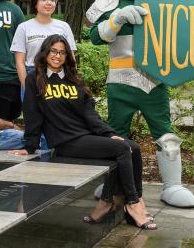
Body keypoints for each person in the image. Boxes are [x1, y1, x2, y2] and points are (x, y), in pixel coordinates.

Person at [86, 0, 194, 208]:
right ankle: (114, 183)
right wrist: (116, 19)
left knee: (165, 134)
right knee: (116, 136)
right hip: (119, 81)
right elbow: (95, 37)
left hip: (154, 79)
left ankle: (172, 185)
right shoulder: (107, 3)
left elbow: (183, 40)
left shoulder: (165, 2)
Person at [12, 35, 157, 229]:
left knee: (134, 147)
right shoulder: (35, 79)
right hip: (65, 142)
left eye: (62, 52)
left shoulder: (74, 80)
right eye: (54, 51)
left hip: (85, 136)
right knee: (122, 149)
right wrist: (29, 146)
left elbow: (90, 113)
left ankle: (112, 201)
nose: (58, 56)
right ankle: (132, 204)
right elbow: (32, 114)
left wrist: (107, 133)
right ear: (45, 52)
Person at [12, 0, 76, 96]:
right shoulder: (24, 27)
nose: (49, 3)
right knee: (33, 112)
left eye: (52, 0)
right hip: (32, 74)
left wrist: (72, 80)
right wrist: (27, 85)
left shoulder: (64, 27)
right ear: (35, 3)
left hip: (59, 75)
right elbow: (19, 62)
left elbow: (71, 58)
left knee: (58, 112)